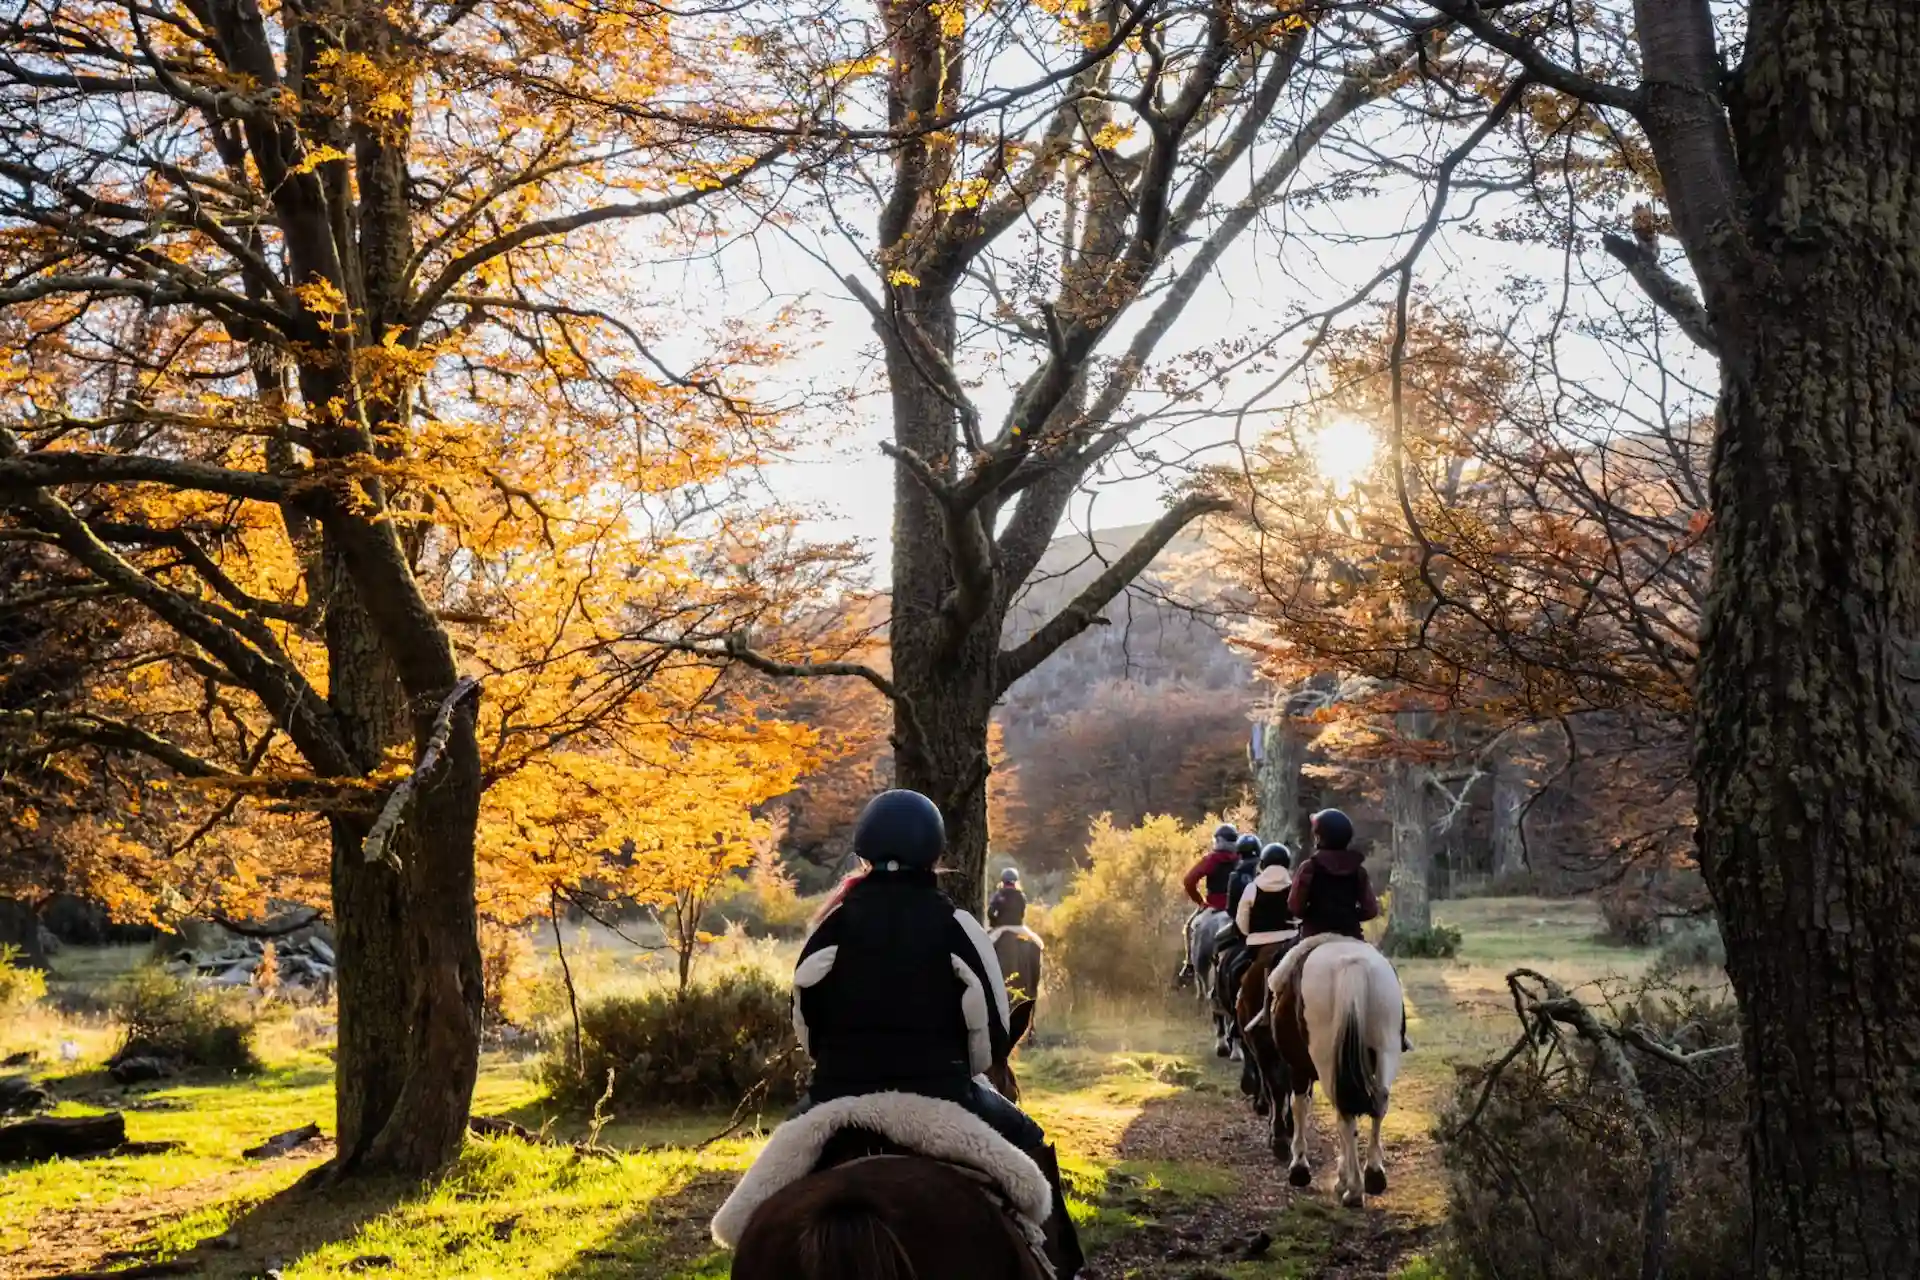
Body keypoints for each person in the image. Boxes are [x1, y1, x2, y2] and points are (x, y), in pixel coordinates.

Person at [790, 790, 1082, 1273]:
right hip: (941, 1097)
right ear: (935, 854)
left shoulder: (829, 926)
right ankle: (1063, 1267)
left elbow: (805, 1025)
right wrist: (960, 1069)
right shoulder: (957, 925)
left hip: (835, 1100)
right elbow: (989, 1032)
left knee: (760, 1205)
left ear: (863, 852)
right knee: (1029, 1136)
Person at [1287, 808, 1379, 940]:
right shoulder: (1359, 871)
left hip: (1314, 934)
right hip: (1351, 934)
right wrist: (1350, 916)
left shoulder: (1308, 868)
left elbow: (1295, 907)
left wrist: (1314, 916)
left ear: (1318, 837)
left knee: (1288, 960)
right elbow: (1371, 910)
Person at [1178, 823, 1240, 983]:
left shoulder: (1211, 859)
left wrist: (1200, 901)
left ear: (1218, 841)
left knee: (1189, 927)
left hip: (1215, 907)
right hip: (1238, 908)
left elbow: (1189, 881)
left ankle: (1190, 965)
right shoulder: (1242, 859)